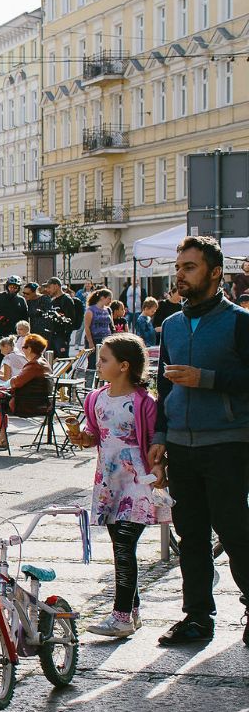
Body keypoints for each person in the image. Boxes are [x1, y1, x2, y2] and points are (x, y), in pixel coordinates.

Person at [150, 236, 249, 647]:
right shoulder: (172, 324)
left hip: (227, 443)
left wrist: (205, 379)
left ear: (215, 272)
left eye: (189, 267)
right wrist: (159, 437)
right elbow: (163, 388)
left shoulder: (240, 322)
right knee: (190, 535)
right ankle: (196, 617)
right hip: (180, 445)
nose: (180, 275)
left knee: (235, 531)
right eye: (178, 267)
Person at [67, 335, 167, 639]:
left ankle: (121, 617)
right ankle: (132, 612)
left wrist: (160, 467)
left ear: (124, 366)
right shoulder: (95, 398)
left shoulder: (144, 402)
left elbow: (155, 441)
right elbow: (95, 435)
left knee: (124, 545)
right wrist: (82, 437)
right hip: (109, 483)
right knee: (121, 547)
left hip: (137, 483)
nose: (98, 364)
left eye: (104, 359)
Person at [0, 277, 30, 369]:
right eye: (11, 287)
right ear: (7, 286)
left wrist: (25, 333)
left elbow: (25, 318)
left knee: (13, 358)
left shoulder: (21, 300)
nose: (12, 289)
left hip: (13, 335)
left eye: (15, 287)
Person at [40, 277, 80, 358]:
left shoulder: (66, 300)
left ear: (56, 286)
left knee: (63, 359)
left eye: (49, 287)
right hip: (52, 335)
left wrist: (65, 335)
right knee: (50, 358)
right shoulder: (53, 300)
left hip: (61, 336)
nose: (47, 290)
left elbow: (70, 320)